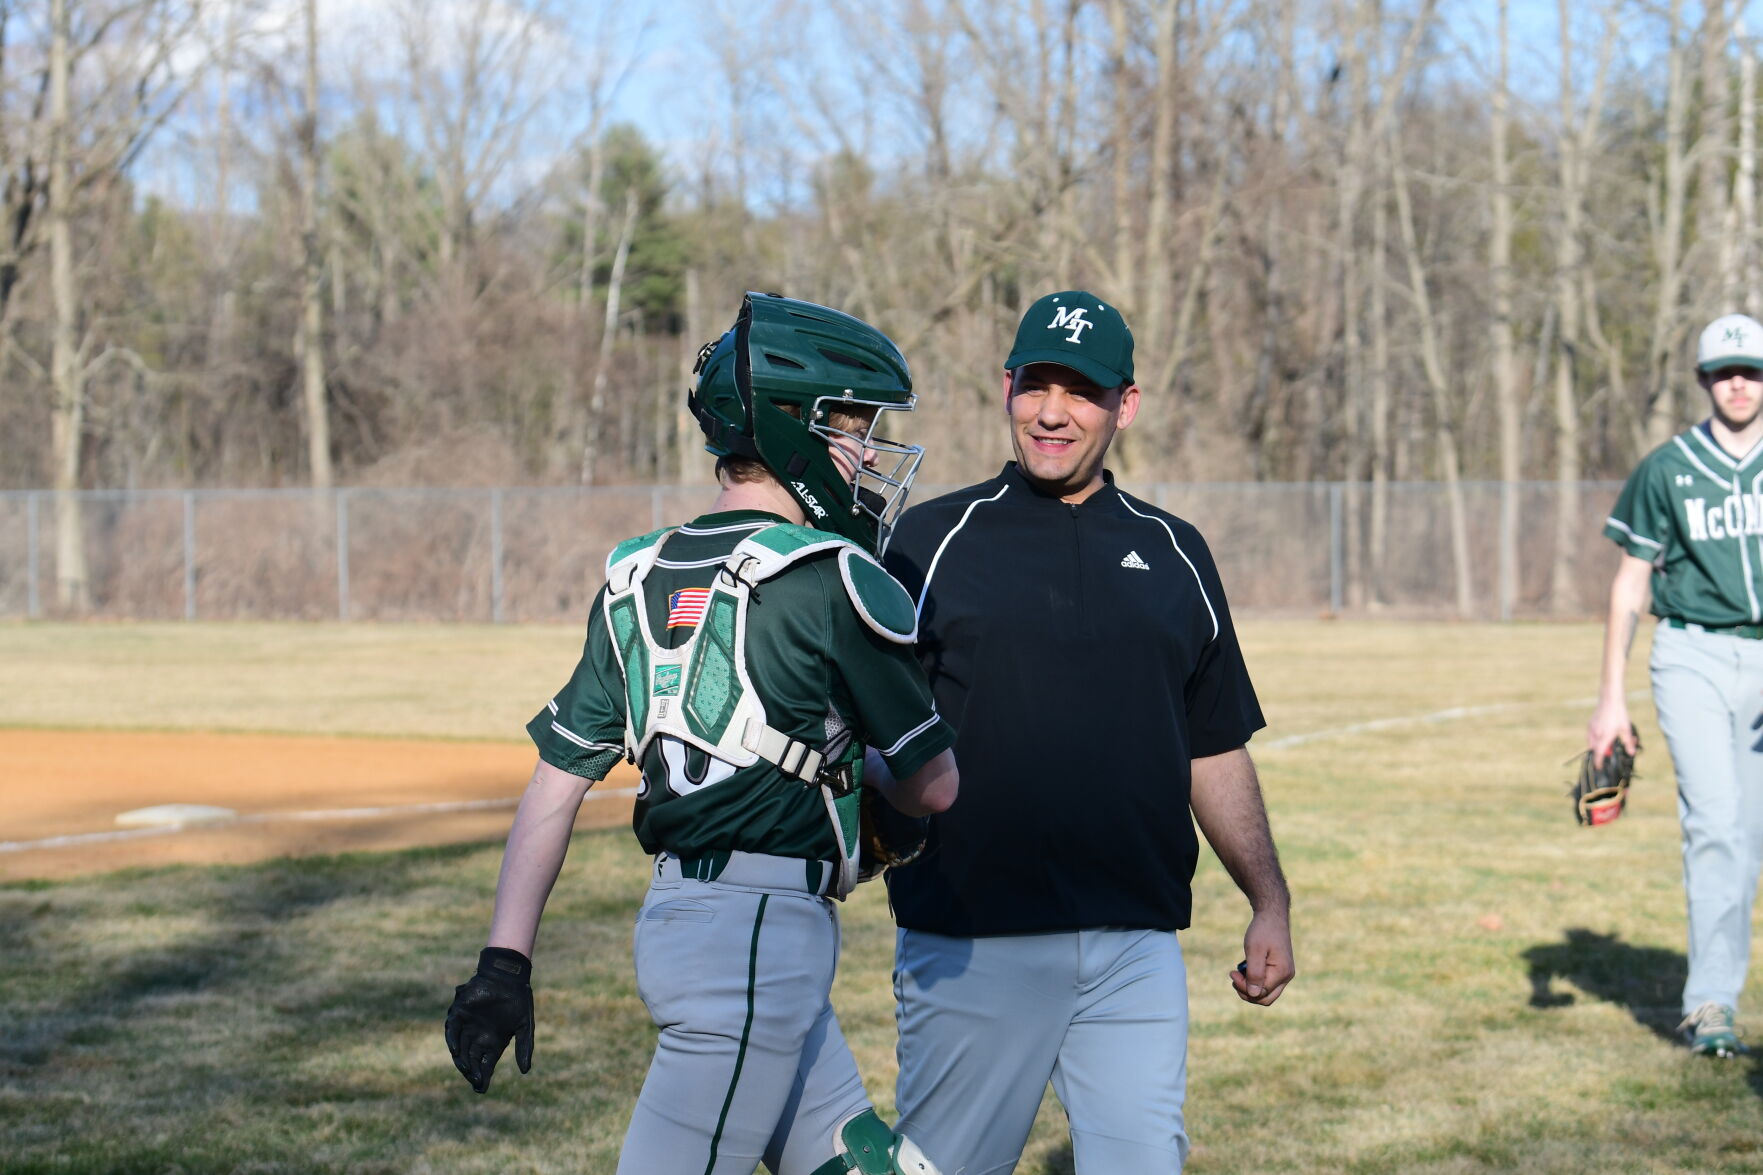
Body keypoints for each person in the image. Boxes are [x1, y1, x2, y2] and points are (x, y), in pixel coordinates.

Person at [444, 292, 959, 1174]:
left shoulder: (637, 573)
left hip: (684, 917)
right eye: (854, 426)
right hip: (757, 935)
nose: (869, 452)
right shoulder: (831, 577)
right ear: (796, 429)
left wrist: (504, 962)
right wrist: (870, 787)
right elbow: (933, 786)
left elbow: (555, 785)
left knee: (856, 1161)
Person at [874, 289, 1295, 1173]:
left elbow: (1211, 744)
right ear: (1006, 388)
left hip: (1133, 945)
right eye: (1036, 385)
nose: (1052, 412)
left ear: (1124, 405)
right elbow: (875, 736)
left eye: (1081, 390)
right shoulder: (927, 540)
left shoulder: (1175, 550)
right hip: (970, 941)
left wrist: (1269, 901)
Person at [1588, 311, 1763, 1059]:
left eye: (1750, 369)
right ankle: (1709, 1002)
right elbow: (1629, 584)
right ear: (1702, 380)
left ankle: (1717, 985)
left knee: (1746, 835)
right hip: (1689, 652)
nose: (1737, 382)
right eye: (1723, 371)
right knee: (1715, 822)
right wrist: (1609, 698)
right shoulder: (1667, 468)